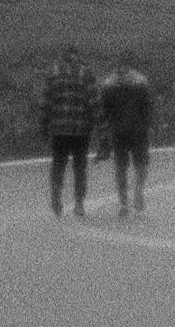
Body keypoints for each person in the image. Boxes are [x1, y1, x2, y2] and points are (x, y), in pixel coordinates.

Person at [40, 46, 98, 217]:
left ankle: (56, 196)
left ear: (62, 57)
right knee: (80, 167)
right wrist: (101, 130)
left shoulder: (53, 73)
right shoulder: (86, 74)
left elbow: (46, 102)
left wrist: (43, 126)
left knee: (58, 163)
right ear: (77, 56)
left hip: (59, 128)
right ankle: (79, 203)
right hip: (81, 129)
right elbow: (94, 102)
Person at [97, 52, 154, 217]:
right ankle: (138, 192)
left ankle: (123, 203)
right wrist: (149, 124)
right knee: (141, 164)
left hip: (118, 130)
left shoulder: (109, 83)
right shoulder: (141, 81)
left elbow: (104, 111)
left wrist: (104, 130)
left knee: (121, 167)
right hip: (138, 130)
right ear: (131, 64)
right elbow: (147, 106)